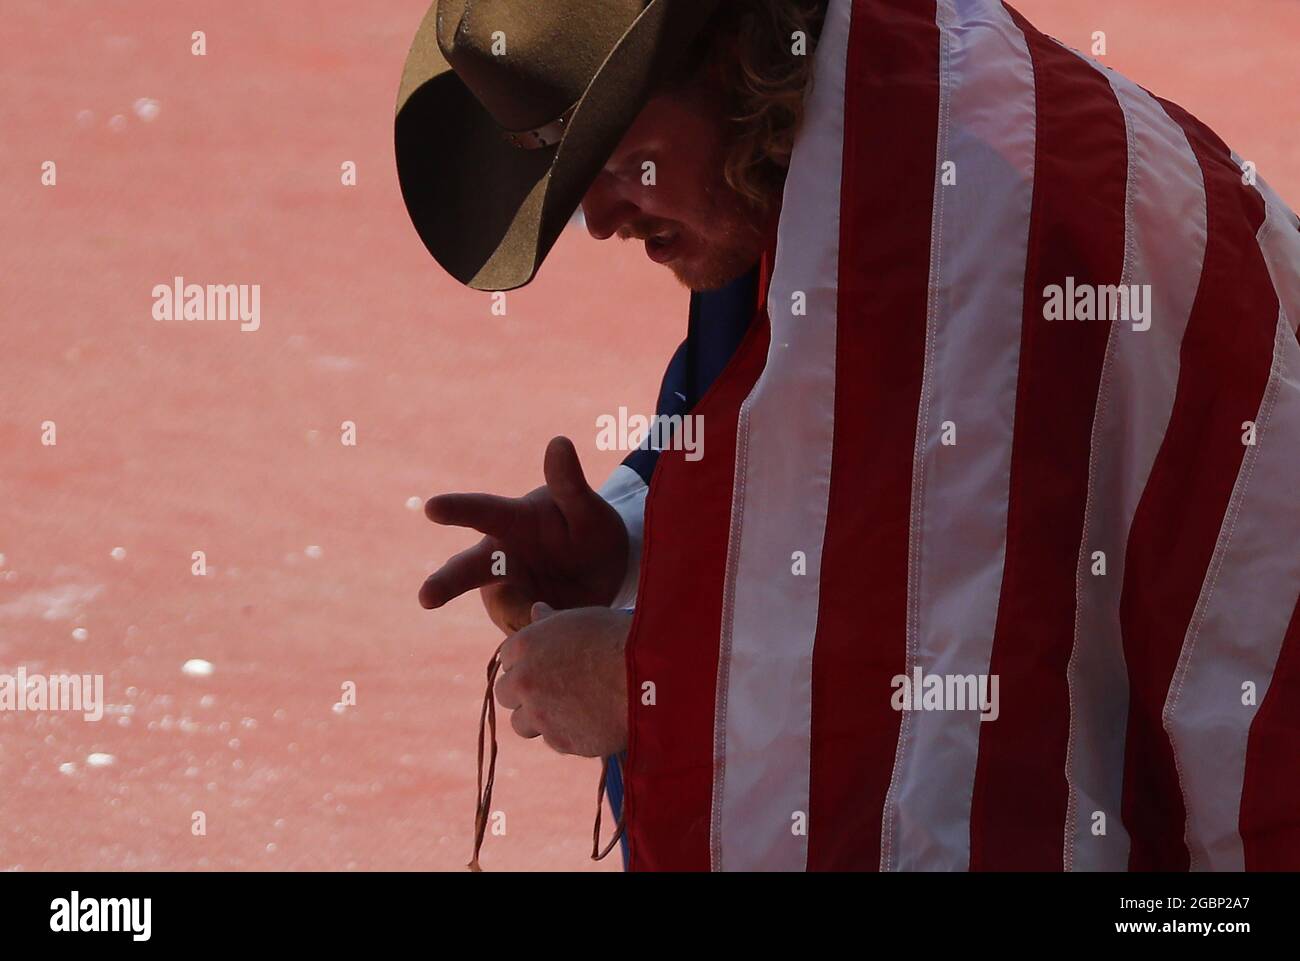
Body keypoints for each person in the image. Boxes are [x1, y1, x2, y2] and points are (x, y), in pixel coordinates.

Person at [397, 0, 1300, 870]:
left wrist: (643, 681)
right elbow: (814, 467)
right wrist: (631, 536)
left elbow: (955, 702)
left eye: (619, 158)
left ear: (728, 64)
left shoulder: (940, 239)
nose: (597, 220)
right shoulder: (822, 147)